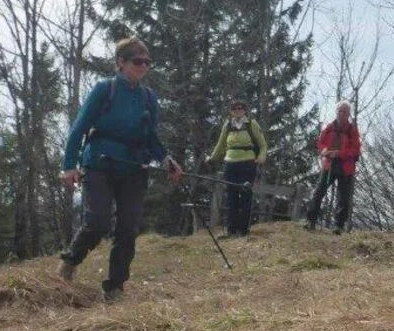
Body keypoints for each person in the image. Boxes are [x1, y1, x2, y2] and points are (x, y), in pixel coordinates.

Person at [57, 37, 182, 302]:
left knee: (128, 227)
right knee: (98, 221)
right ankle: (70, 261)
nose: (144, 66)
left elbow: (151, 136)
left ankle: (115, 287)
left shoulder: (149, 98)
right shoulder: (105, 90)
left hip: (135, 167)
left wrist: (166, 160)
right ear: (121, 63)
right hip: (100, 163)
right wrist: (69, 165)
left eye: (148, 62)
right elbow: (79, 128)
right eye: (138, 61)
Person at [206, 100, 267, 237]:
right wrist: (212, 158)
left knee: (245, 195)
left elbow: (263, 144)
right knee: (231, 196)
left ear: (245, 110)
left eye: (241, 108)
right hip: (230, 163)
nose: (238, 110)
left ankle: (243, 231)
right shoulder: (227, 125)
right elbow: (220, 144)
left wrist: (261, 157)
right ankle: (231, 230)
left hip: (248, 163)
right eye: (234, 108)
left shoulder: (252, 124)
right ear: (231, 111)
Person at [305, 101, 362, 235]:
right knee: (319, 192)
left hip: (345, 166)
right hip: (329, 164)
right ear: (336, 112)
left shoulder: (352, 131)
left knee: (343, 197)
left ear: (348, 114)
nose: (342, 114)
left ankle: (339, 226)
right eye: (340, 111)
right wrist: (324, 150)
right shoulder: (329, 127)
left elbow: (356, 150)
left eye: (345, 111)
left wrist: (340, 153)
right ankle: (310, 221)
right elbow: (320, 142)